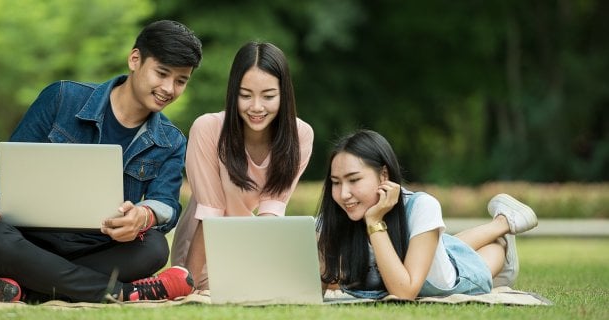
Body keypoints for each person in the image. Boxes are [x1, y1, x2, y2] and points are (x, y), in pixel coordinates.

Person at [0, 20, 203, 303]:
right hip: (29, 240)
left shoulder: (171, 140)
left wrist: (144, 216)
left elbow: (166, 203)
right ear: (135, 59)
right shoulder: (61, 97)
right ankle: (124, 293)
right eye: (161, 73)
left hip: (100, 247)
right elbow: (4, 164)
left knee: (154, 248)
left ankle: (28, 287)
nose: (169, 88)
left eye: (180, 81)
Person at [316, 129, 539, 300]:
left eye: (354, 180)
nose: (343, 194)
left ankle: (502, 229)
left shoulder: (422, 206)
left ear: (384, 175)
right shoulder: (336, 216)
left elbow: (404, 293)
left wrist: (375, 222)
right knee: (445, 245)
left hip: (453, 276)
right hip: (434, 250)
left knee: (488, 252)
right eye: (336, 182)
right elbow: (321, 282)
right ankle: (502, 221)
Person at [170, 41, 315, 290]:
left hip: (251, 240)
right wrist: (188, 287)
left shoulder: (300, 135)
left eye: (268, 96)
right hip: (201, 247)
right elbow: (209, 215)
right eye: (245, 95)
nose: (256, 107)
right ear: (233, 92)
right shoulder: (208, 129)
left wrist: (264, 269)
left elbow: (272, 212)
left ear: (284, 94)